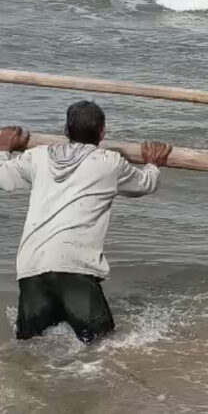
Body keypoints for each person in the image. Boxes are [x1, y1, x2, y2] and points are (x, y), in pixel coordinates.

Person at [0, 101, 172, 343]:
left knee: (31, 351)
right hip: (75, 266)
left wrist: (4, 147)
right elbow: (145, 184)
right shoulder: (110, 162)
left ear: (66, 131)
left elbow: (2, 176)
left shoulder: (37, 157)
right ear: (102, 132)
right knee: (104, 346)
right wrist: (153, 164)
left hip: (31, 266)